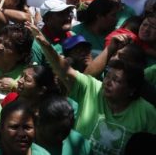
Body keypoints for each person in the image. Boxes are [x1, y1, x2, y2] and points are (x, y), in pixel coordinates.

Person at [30, 22, 156, 154]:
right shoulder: (92, 88)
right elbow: (64, 70)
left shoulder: (148, 113)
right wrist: (45, 44)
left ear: (132, 89)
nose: (107, 82)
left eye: (116, 80)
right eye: (108, 76)